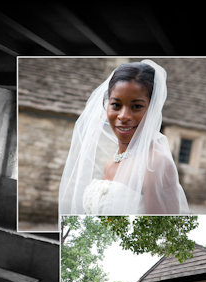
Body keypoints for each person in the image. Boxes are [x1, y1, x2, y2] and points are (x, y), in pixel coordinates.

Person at [59, 59, 188, 215]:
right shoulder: (111, 162)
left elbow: (164, 232)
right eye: (116, 105)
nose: (123, 116)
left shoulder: (156, 163)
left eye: (136, 106)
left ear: (152, 109)